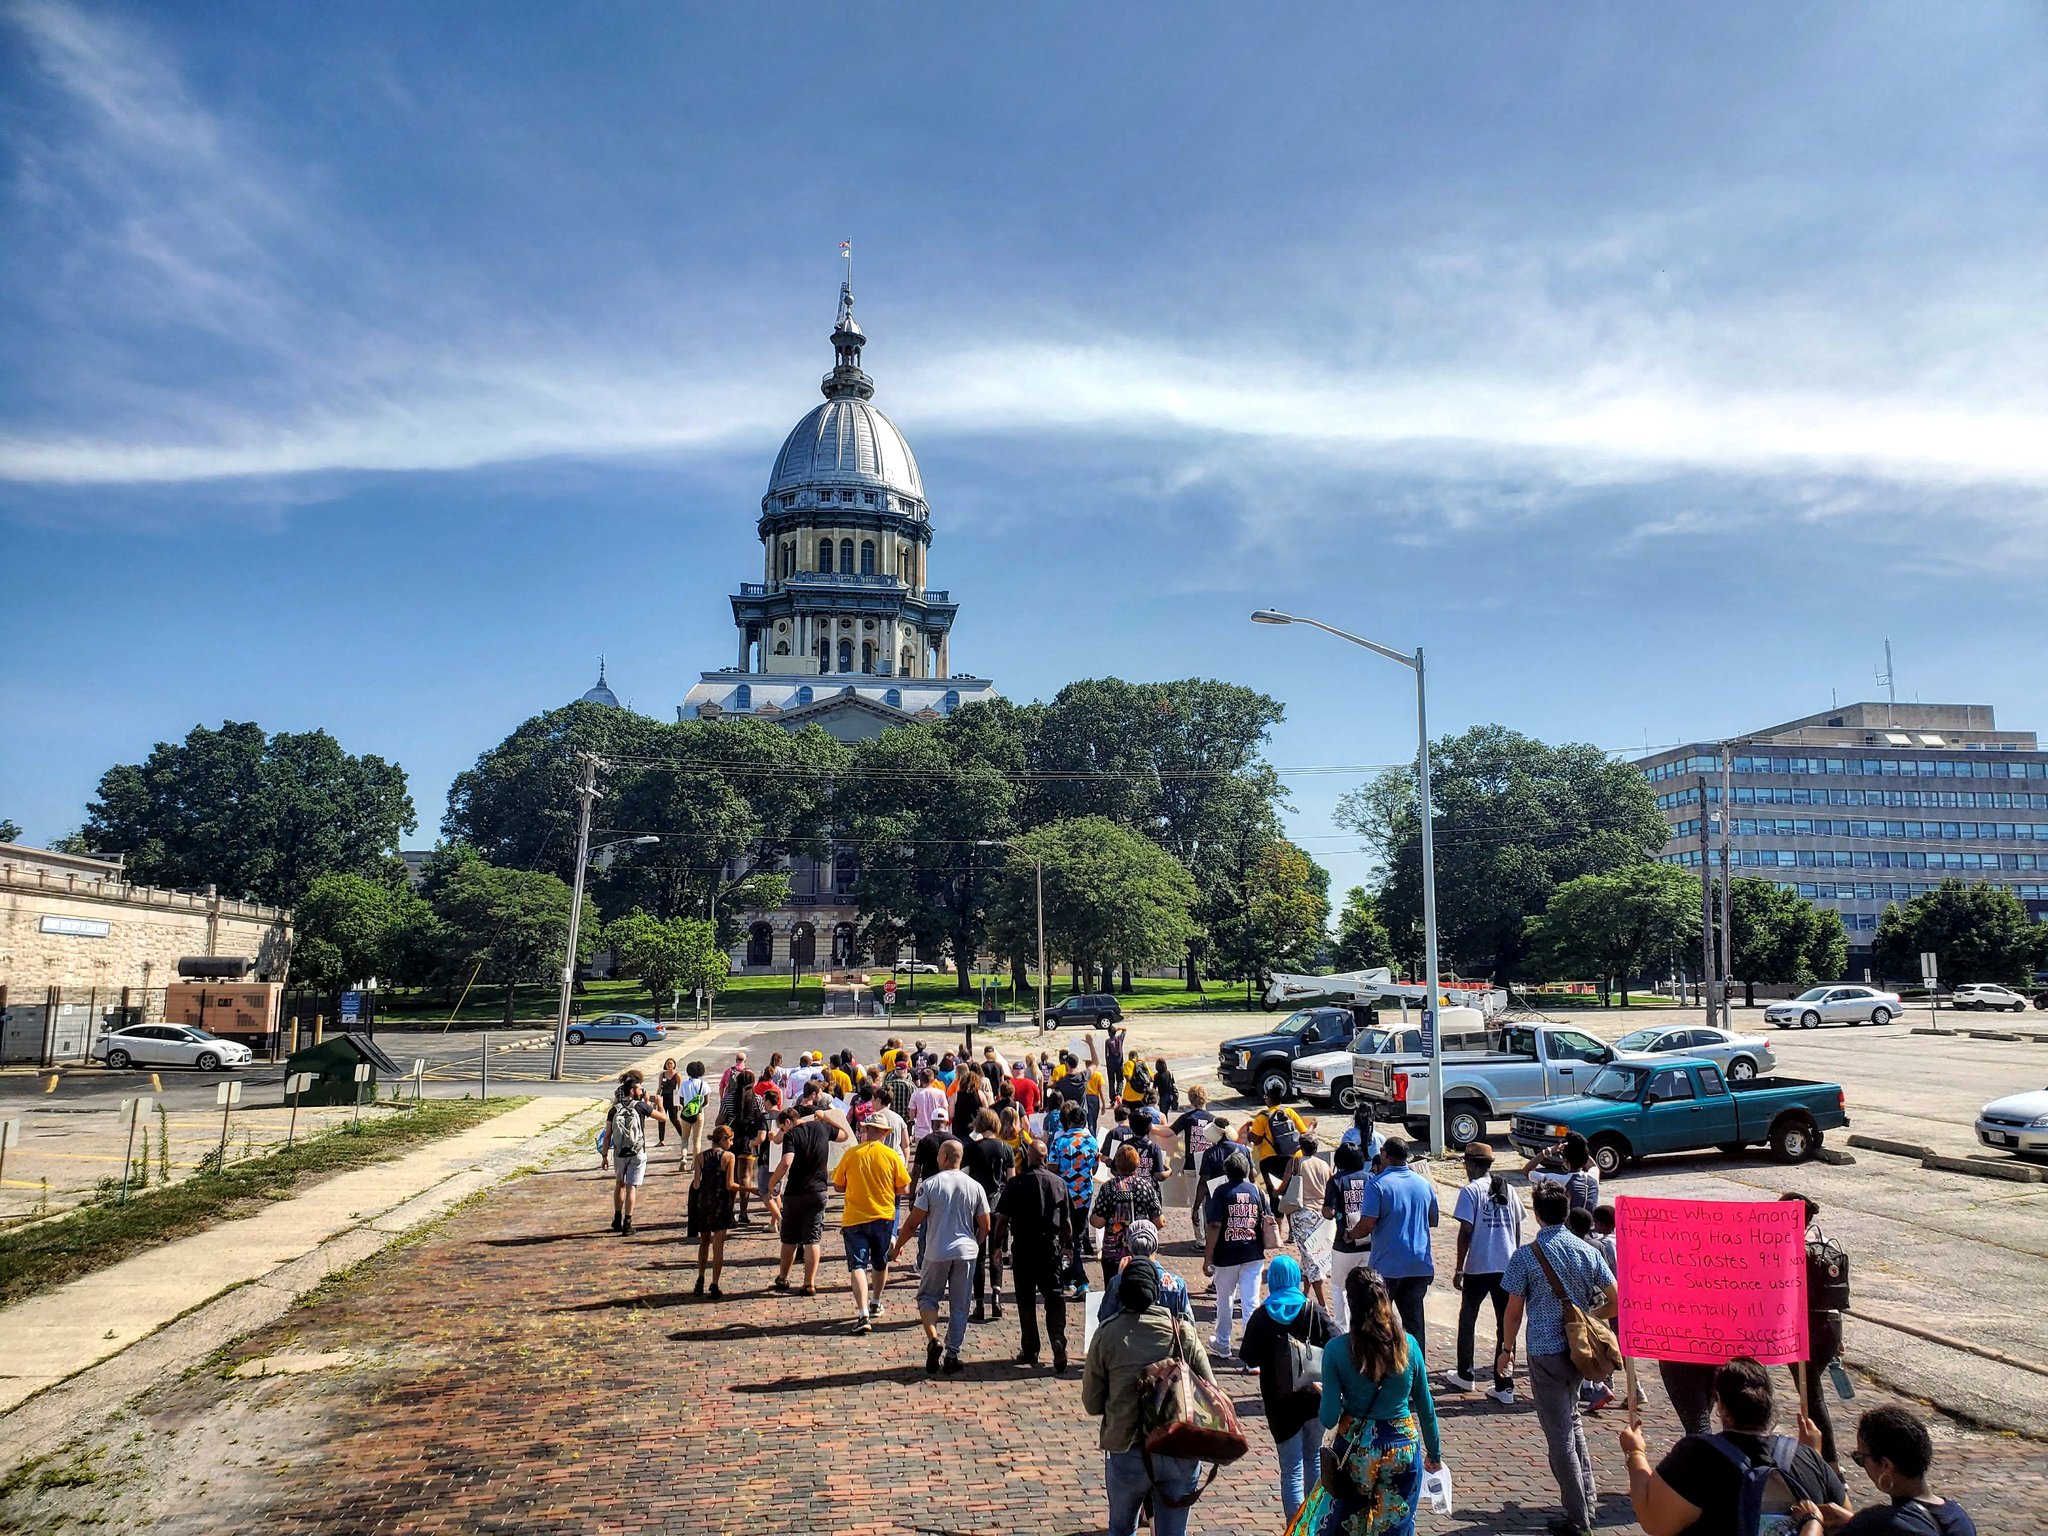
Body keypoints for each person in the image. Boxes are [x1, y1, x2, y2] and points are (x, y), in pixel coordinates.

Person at [1498, 1179, 1617, 1536]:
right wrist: (1590, 1318)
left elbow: (1513, 1311)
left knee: (1559, 1435)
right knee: (1574, 1421)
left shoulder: (1526, 1256)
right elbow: (1615, 1298)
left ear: (1537, 1215)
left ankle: (1577, 1517)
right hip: (1580, 1352)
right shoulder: (1587, 1251)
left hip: (1545, 1350)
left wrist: (1506, 1349)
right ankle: (1588, 1500)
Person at [1620, 1355, 1845, 1536]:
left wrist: (1635, 1452)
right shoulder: (1807, 1456)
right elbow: (1842, 1518)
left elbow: (1654, 1521)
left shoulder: (1696, 1457)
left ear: (1721, 1406)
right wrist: (1811, 1455)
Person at [1082, 1257, 1219, 1536]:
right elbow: (1211, 1391)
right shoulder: (1182, 1332)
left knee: (1121, 1528)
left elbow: (1092, 1402)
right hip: (1177, 1446)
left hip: (1126, 1448)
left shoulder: (1106, 1334)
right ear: (1157, 1291)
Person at [1307, 1265, 1444, 1536]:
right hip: (1402, 1447)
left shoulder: (1336, 1351)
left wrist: (1331, 1396)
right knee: (1396, 1526)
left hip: (1357, 1451)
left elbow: (1329, 1417)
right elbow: (1425, 1406)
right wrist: (1435, 1453)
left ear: (1351, 1303)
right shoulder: (1409, 1346)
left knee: (1348, 1525)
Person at [1238, 1253, 1336, 1522]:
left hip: (1280, 1404)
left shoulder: (1261, 1316)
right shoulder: (1313, 1310)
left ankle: (1295, 1526)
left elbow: (1249, 1357)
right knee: (1314, 1460)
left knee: (1291, 1469)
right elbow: (1338, 1343)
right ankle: (1315, 1522)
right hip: (1315, 1398)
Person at [891, 1139, 990, 1375]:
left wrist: (896, 1247)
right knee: (960, 1304)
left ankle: (933, 1337)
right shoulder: (975, 1186)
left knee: (927, 1297)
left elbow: (913, 1222)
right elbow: (985, 1225)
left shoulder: (931, 1185)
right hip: (966, 1252)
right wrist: (974, 1243)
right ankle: (952, 1353)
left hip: (937, 1250)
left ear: (943, 1157)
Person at [1811, 1405, 1977, 1536]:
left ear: (1886, 1465)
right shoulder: (1959, 1518)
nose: (1863, 1466)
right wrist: (1853, 1521)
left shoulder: (1876, 1523)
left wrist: (1811, 1521)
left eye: (1861, 1458)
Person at [1447, 1142, 1525, 1404]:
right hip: (1506, 1265)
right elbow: (1516, 1228)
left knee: (1468, 1318)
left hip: (1479, 1266)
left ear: (1471, 1164)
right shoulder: (1509, 1190)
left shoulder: (1470, 1191)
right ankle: (1504, 1383)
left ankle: (1465, 1373)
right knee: (1507, 1324)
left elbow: (1465, 1232)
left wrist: (1459, 1267)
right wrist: (1515, 1258)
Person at [1347, 1136, 1438, 1353]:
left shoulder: (1377, 1185)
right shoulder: (1423, 1184)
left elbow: (1367, 1224)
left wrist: (1351, 1234)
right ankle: (1416, 1370)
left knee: (1378, 1321)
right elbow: (1433, 1219)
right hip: (1418, 1264)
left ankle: (1380, 1365)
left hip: (1387, 1267)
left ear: (1386, 1155)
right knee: (1415, 1324)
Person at [994, 1138, 1072, 1373]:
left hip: (1024, 1246)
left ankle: (1030, 1347)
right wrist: (1068, 1246)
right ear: (1046, 1158)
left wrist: (997, 1247)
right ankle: (1057, 1339)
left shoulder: (1016, 1183)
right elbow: (1066, 1222)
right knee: (1054, 1296)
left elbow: (1002, 1219)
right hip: (1050, 1246)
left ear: (1028, 1157)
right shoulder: (1058, 1183)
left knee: (1026, 1299)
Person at [1784, 1191, 1848, 1468]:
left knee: (1812, 1397)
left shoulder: (1788, 1246)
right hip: (1832, 1326)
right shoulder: (1824, 1243)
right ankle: (1815, 1454)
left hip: (1803, 1328)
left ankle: (1831, 1465)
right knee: (1811, 1392)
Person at [767, 1087, 850, 1295]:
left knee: (789, 1238)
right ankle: (809, 1283)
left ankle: (783, 1277)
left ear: (789, 1121)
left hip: (796, 1191)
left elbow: (787, 1162)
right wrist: (827, 1119)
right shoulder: (821, 1128)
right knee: (813, 1238)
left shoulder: (792, 1135)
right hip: (819, 1189)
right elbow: (844, 1135)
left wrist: (773, 1182)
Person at [833, 1114, 910, 1333]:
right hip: (883, 1217)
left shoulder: (851, 1154)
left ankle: (862, 1313)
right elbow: (903, 1189)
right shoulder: (891, 1156)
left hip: (855, 1218)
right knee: (880, 1262)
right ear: (885, 1133)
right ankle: (875, 1301)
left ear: (867, 1130)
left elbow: (838, 1185)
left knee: (857, 1265)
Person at [1202, 1151, 1272, 1361]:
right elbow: (1266, 1218)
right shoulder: (1257, 1191)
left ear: (1226, 1171)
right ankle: (1252, 1350)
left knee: (1225, 1300)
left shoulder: (1221, 1192)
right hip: (1253, 1252)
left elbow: (1215, 1225)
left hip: (1226, 1254)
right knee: (1251, 1301)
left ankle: (1223, 1343)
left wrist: (1208, 1256)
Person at [1089, 1143, 1164, 1292]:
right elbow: (1159, 1222)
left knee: (1113, 1290)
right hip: (1141, 1250)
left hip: (1113, 1251)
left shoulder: (1108, 1188)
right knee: (1141, 1290)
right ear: (1137, 1163)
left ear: (1117, 1164)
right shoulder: (1146, 1186)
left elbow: (1097, 1222)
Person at [963, 1107, 1014, 1321]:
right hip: (999, 1205)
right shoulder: (1006, 1148)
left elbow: (964, 1177)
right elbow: (1010, 1180)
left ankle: (979, 1303)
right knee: (996, 1253)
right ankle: (996, 1295)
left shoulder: (972, 1148)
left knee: (977, 1253)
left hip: (977, 1205)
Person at [1323, 1141, 1377, 1331]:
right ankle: (1367, 1325)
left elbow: (1328, 1212)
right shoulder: (1370, 1178)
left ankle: (1342, 1328)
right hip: (1369, 1242)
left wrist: (1338, 1212)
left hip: (1345, 1243)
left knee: (1339, 1287)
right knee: (1368, 1287)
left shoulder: (1336, 1180)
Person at [1048, 1102, 1101, 1294]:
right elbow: (1094, 1168)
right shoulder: (1092, 1141)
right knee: (1077, 1236)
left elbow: (1052, 1168)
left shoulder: (1059, 1142)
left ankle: (1078, 1278)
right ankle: (1071, 1276)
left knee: (1064, 1236)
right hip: (1084, 1195)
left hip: (1064, 1195)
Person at [1280, 1134, 1335, 1310]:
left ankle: (1321, 1303)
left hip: (1303, 1213)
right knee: (1309, 1255)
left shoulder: (1295, 1163)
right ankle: (1305, 1294)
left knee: (1311, 1258)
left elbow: (1283, 1186)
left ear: (1300, 1147)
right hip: (1321, 1216)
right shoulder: (1324, 1165)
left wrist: (1275, 1191)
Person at [687, 1124, 740, 1297]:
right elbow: (730, 1185)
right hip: (720, 1203)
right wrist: (750, 1190)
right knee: (718, 1247)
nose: (731, 1144)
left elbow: (696, 1184)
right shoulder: (729, 1157)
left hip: (704, 1203)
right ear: (723, 1139)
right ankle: (714, 1283)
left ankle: (700, 1277)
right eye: (730, 1140)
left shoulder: (700, 1157)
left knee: (704, 1242)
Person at [606, 1073, 660, 1235]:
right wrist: (658, 1103)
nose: (641, 1090)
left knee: (619, 1184)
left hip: (619, 1151)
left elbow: (608, 1134)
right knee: (631, 1187)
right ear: (632, 1090)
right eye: (639, 1088)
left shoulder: (614, 1109)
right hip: (637, 1151)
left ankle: (617, 1218)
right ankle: (627, 1223)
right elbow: (662, 1118)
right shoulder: (641, 1106)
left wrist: (604, 1156)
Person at [1247, 1083, 1312, 1205]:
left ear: (1268, 1099)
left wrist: (1250, 1132)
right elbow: (1305, 1134)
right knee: (1294, 1192)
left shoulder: (1262, 1117)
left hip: (1269, 1160)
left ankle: (1278, 1222)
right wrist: (1312, 1126)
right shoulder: (1289, 1112)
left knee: (1274, 1194)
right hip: (1292, 1158)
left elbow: (1256, 1140)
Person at [723, 1069, 767, 1225]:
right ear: (753, 1083)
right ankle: (743, 1213)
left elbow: (720, 1120)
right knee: (746, 1177)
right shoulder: (758, 1099)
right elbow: (762, 1118)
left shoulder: (728, 1099)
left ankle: (729, 1212)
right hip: (749, 1142)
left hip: (731, 1141)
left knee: (732, 1178)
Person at [1525, 1131, 1600, 1215]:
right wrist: (1580, 1148)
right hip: (1593, 1226)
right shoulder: (1594, 1176)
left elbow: (1527, 1171)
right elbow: (1593, 1165)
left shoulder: (1561, 1180)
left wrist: (1549, 1151)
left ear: (1566, 1161)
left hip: (1572, 1227)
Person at [1193, 1113, 1235, 1246]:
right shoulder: (1242, 1149)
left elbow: (1203, 1182)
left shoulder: (1210, 1153)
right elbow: (1252, 1175)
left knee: (1214, 1227)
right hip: (1237, 1193)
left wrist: (1196, 1207)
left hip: (1215, 1196)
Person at [673, 1059, 710, 1170]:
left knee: (684, 1138)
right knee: (697, 1140)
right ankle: (694, 1163)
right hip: (698, 1114)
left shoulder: (684, 1084)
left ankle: (684, 1158)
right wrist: (698, 1108)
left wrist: (688, 1108)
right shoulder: (704, 1084)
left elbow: (681, 1100)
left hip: (686, 1114)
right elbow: (706, 1101)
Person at [1170, 1084, 1216, 1171]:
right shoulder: (1213, 1119)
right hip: (1209, 1166)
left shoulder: (1186, 1118)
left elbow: (1170, 1132)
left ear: (1190, 1100)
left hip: (1191, 1165)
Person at [909, 1069, 948, 1140]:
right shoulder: (940, 1093)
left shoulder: (915, 1094)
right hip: (938, 1129)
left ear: (920, 1080)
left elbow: (912, 1115)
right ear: (933, 1080)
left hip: (921, 1132)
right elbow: (945, 1112)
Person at [655, 1058, 682, 1148]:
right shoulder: (662, 1075)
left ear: (674, 1065)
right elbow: (659, 1087)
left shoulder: (677, 1075)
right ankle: (661, 1140)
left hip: (673, 1099)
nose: (669, 1065)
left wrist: (678, 1103)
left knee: (674, 1119)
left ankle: (683, 1136)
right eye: (668, 1064)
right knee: (661, 1119)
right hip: (663, 1098)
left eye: (671, 1063)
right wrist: (657, 1098)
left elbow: (679, 1089)